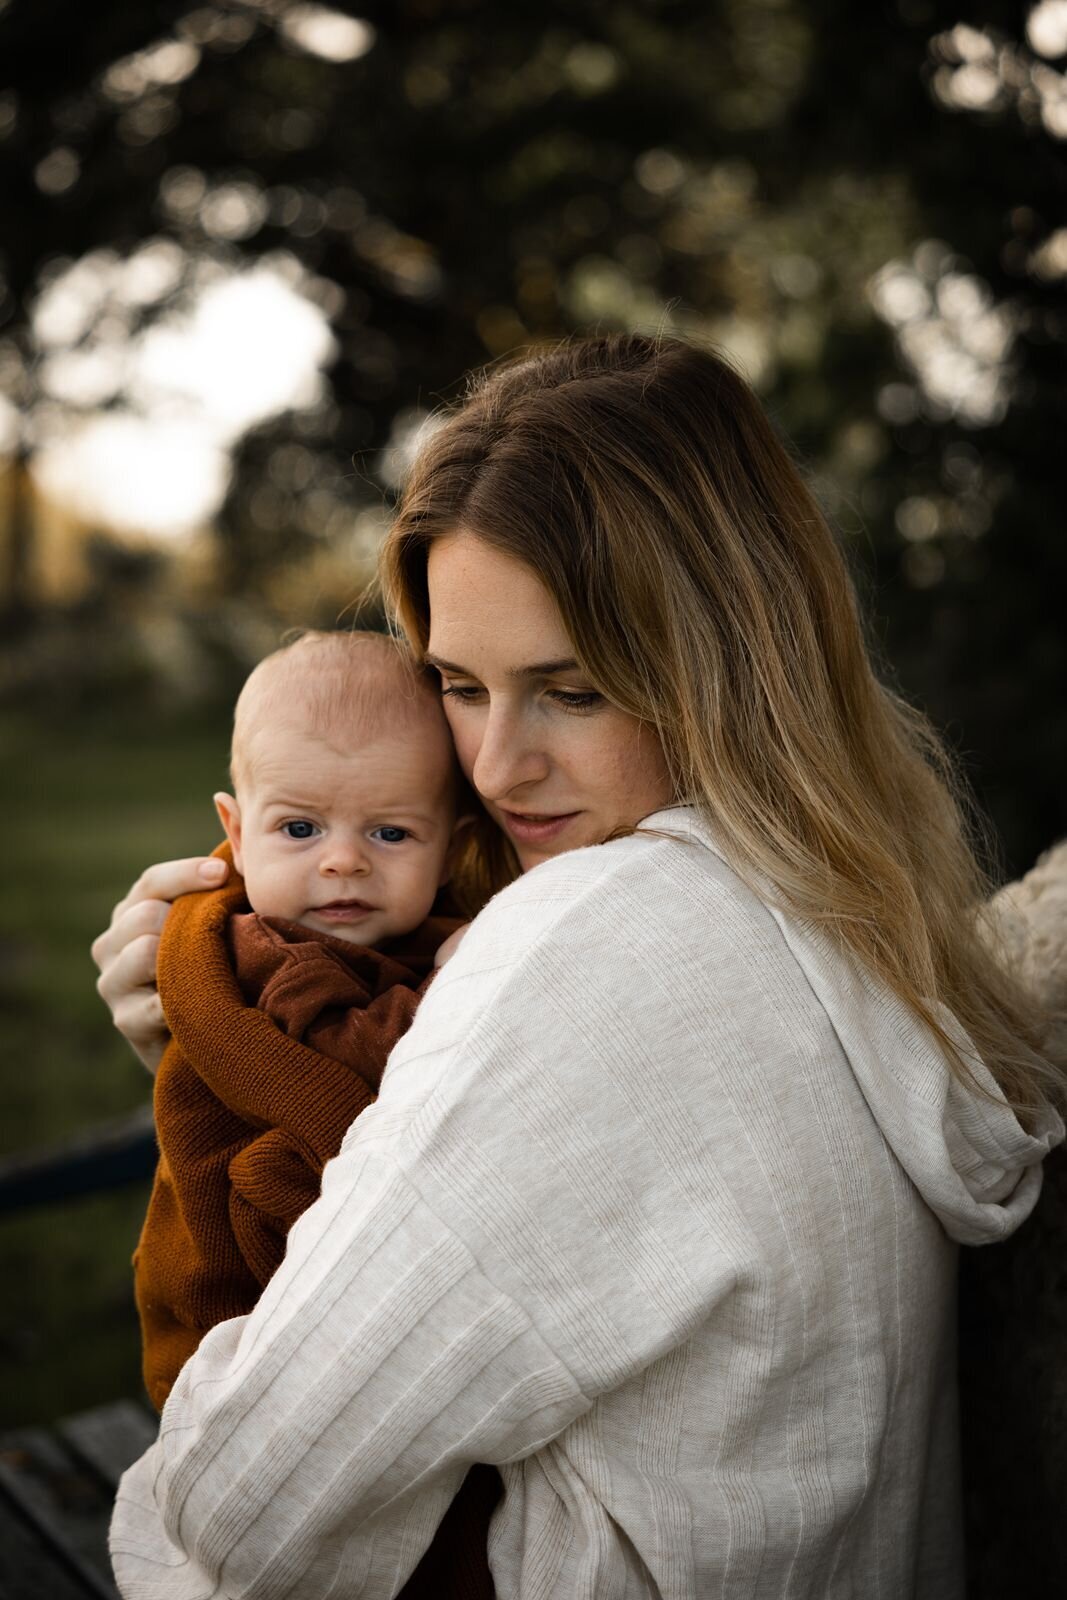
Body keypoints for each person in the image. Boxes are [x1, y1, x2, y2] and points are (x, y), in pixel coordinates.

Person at [95, 333, 1065, 1599]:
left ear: (725, 667)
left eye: (574, 690)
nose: (497, 768)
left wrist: (223, 1060)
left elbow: (245, 1509)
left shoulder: (592, 947)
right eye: (458, 684)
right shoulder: (839, 902)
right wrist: (230, 1054)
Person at [132, 626, 500, 1599]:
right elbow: (357, 1065)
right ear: (234, 825)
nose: (342, 863)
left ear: (451, 842)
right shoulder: (269, 953)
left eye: (390, 834)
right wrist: (458, 982)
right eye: (299, 830)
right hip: (235, 1288)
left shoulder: (380, 935)